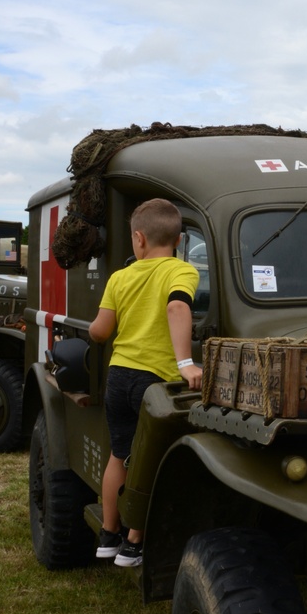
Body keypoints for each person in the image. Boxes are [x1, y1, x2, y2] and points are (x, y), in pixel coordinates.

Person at [89, 199, 203, 566]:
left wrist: (92, 328)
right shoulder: (181, 271)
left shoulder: (119, 278)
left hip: (119, 377)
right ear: (180, 239)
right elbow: (177, 307)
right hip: (154, 383)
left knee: (119, 454)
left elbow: (101, 331)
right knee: (151, 459)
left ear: (138, 239)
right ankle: (134, 542)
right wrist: (185, 362)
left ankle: (108, 534)